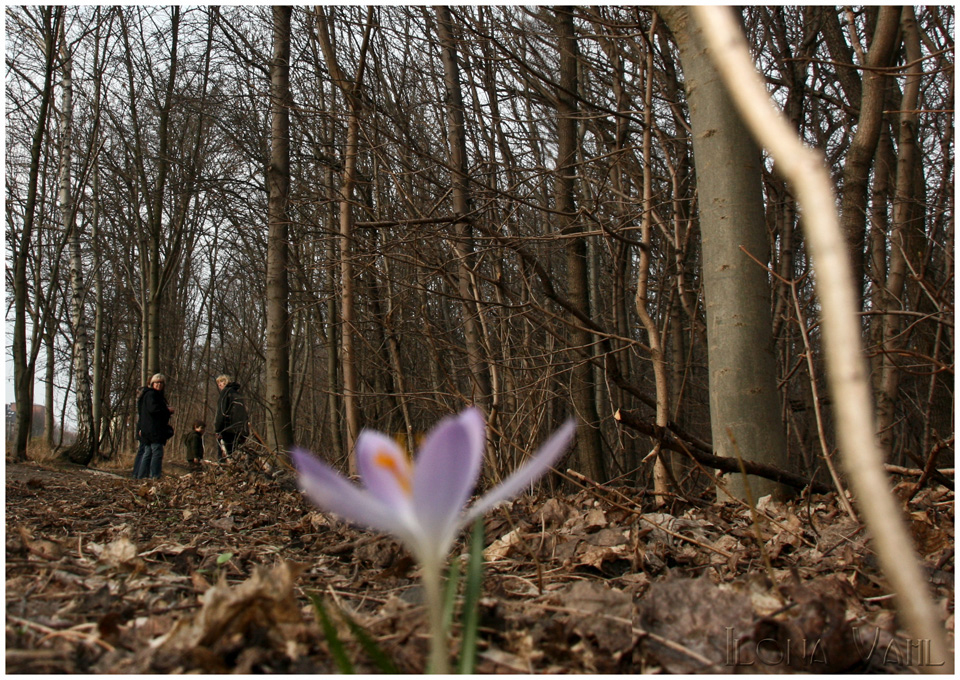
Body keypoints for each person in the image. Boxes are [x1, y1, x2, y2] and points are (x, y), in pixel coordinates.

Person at [137, 373, 174, 478]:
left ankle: (142, 476)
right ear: (152, 383)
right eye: (157, 382)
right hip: (154, 429)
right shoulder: (151, 395)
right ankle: (155, 476)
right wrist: (167, 410)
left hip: (149, 428)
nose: (159, 385)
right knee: (156, 452)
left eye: (161, 383)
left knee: (148, 453)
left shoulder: (150, 395)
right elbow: (153, 410)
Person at [214, 374, 248, 459]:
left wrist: (218, 429)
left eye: (221, 382)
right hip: (238, 431)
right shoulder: (237, 394)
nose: (219, 385)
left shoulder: (225, 393)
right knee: (235, 456)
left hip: (226, 429)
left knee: (224, 457)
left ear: (225, 382)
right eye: (218, 383)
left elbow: (221, 412)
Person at [131, 385, 148, 478]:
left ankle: (136, 472)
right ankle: (139, 473)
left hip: (141, 427)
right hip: (143, 428)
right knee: (143, 450)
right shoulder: (143, 402)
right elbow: (143, 417)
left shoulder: (140, 401)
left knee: (142, 450)